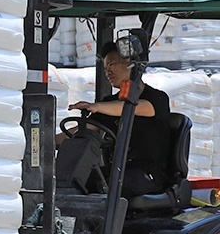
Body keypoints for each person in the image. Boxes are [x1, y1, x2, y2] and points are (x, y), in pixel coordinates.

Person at [67, 41, 171, 198]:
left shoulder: (157, 98)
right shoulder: (109, 103)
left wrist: (96, 106)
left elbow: (131, 108)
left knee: (114, 184)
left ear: (131, 64)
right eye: (105, 68)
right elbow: (85, 128)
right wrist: (47, 140)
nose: (108, 71)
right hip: (119, 169)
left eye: (112, 64)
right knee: (78, 179)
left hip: (148, 173)